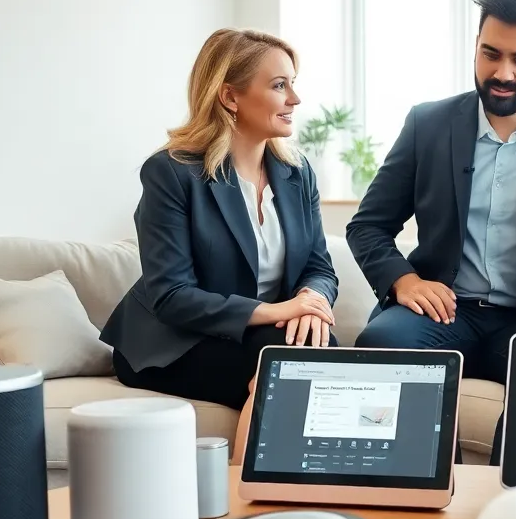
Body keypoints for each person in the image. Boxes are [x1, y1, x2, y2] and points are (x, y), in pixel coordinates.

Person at [347, 0, 516, 386]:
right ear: (475, 46)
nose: (502, 73)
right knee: (380, 343)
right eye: (491, 53)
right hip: (440, 313)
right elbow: (367, 226)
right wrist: (405, 281)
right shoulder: (427, 125)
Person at [101, 28, 339, 433]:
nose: (295, 100)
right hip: (175, 340)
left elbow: (319, 265)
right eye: (280, 86)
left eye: (292, 85)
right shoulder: (172, 173)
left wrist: (311, 300)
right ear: (230, 97)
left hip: (258, 335)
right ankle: (251, 491)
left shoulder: (298, 174)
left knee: (319, 347)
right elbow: (172, 295)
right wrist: (278, 311)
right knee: (287, 359)